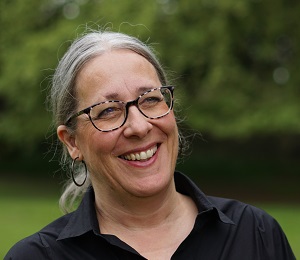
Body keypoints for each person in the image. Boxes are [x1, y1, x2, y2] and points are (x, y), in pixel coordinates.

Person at [5, 29, 295, 260]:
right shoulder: (37, 256)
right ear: (72, 142)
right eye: (108, 110)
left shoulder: (256, 234)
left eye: (151, 100)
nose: (140, 126)